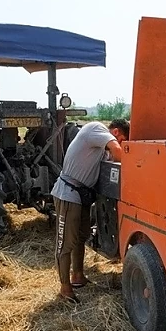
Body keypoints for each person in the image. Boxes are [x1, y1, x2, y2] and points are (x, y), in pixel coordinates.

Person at [50, 118, 129, 303]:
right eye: (123, 140)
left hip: (82, 195)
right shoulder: (96, 128)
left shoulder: (100, 149)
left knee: (80, 237)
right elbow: (118, 153)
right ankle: (65, 288)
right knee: (65, 243)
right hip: (68, 193)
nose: (122, 144)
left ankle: (78, 276)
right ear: (115, 132)